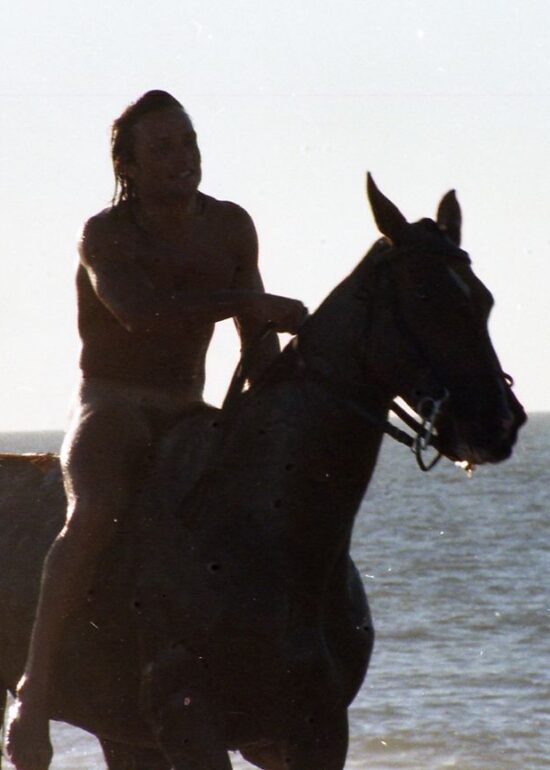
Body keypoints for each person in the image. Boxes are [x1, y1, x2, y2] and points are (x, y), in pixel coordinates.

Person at [6, 89, 307, 770]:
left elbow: (256, 342)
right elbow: (139, 313)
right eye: (163, 148)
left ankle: (259, 693)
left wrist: (281, 399)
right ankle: (34, 690)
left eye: (189, 142)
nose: (182, 158)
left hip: (188, 410)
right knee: (94, 512)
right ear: (131, 166)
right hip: (111, 408)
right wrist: (249, 300)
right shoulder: (104, 234)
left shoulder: (230, 225)